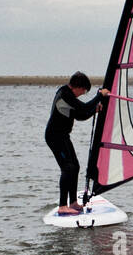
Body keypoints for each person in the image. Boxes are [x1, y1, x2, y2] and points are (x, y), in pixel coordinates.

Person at [45, 72, 110, 216]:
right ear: (78, 87)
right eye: (84, 91)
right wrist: (99, 95)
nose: (83, 94)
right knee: (67, 168)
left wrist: (95, 110)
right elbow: (83, 107)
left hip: (63, 136)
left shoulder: (69, 97)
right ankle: (62, 205)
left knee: (75, 166)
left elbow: (81, 115)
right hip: (54, 137)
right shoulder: (65, 94)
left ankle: (73, 202)